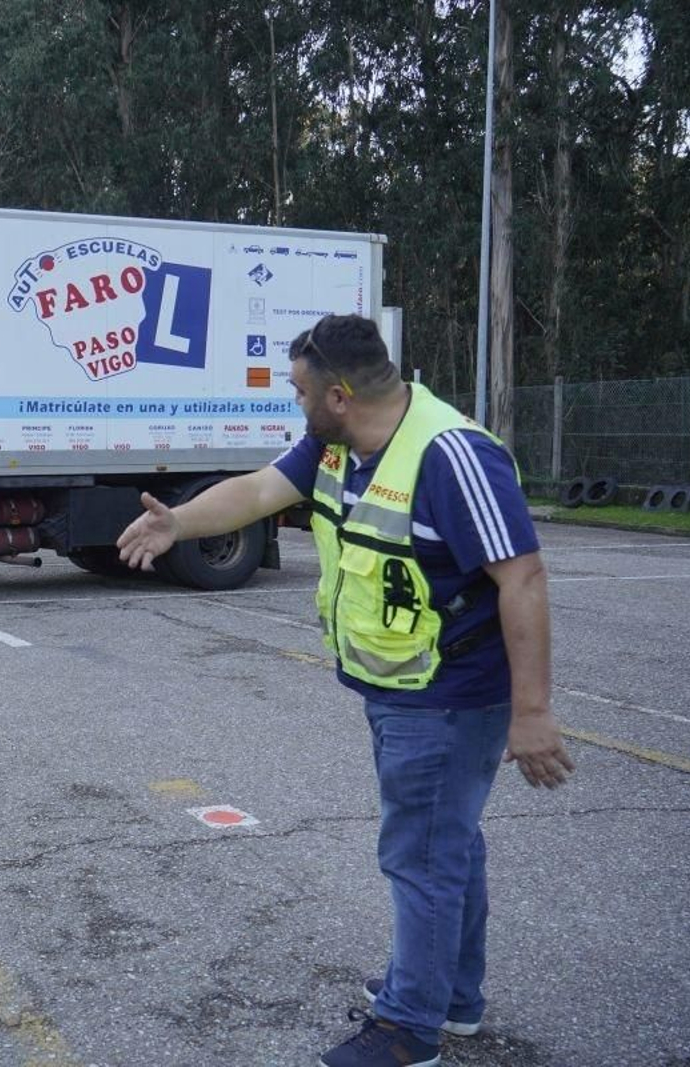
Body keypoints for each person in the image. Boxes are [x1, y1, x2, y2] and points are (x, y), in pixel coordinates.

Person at [116, 313, 574, 1067]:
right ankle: (450, 996)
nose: (293, 405)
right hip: (402, 685)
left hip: (449, 694)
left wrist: (532, 712)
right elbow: (262, 488)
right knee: (446, 841)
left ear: (337, 394)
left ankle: (407, 1029)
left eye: (298, 392)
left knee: (421, 853)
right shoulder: (339, 444)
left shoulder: (452, 456)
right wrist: (180, 524)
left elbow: (521, 575)